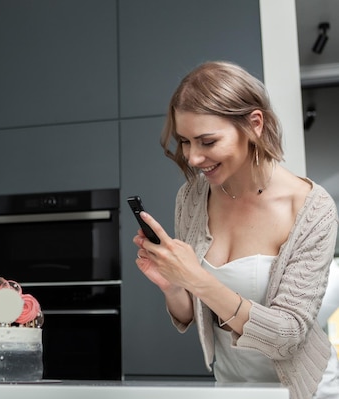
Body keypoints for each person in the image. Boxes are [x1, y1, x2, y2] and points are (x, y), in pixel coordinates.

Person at [132, 61, 338, 399]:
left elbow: (287, 337)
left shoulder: (311, 209)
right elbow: (194, 310)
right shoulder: (192, 198)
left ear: (254, 124)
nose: (194, 158)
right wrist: (173, 286)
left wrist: (197, 278)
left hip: (302, 392)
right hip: (231, 388)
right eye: (185, 142)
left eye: (207, 141)